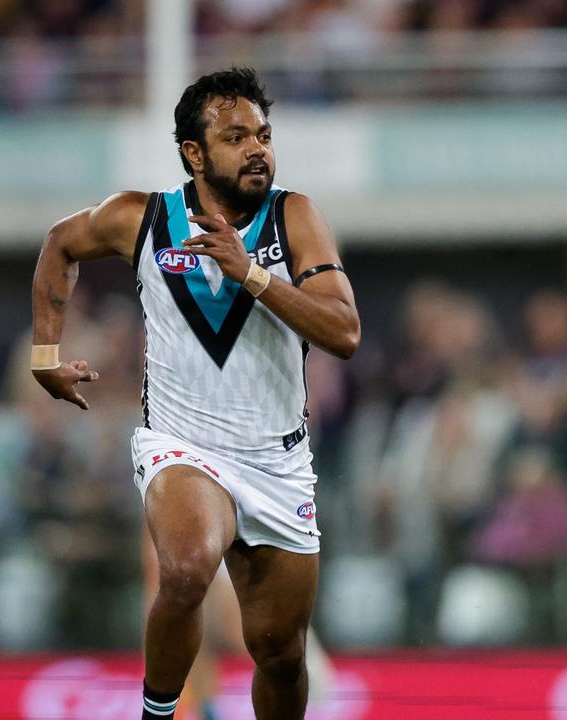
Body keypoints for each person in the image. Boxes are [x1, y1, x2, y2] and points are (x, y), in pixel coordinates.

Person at [30, 67, 359, 720]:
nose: (257, 148)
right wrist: (46, 354)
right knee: (185, 568)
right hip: (183, 446)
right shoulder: (142, 217)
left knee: (280, 650)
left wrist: (253, 276)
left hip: (278, 462)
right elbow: (60, 244)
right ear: (194, 153)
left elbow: (344, 330)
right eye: (236, 136)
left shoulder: (294, 216)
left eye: (263, 134)